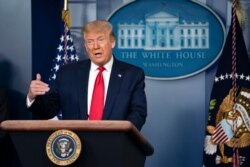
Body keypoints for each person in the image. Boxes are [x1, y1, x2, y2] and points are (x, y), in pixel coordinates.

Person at [27, 20, 147, 130]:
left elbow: (138, 113)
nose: (95, 46)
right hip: (75, 147)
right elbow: (49, 110)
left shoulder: (132, 75)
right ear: (85, 46)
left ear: (112, 42)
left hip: (115, 145)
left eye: (100, 40)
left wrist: (121, 136)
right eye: (90, 41)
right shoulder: (67, 73)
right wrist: (32, 98)